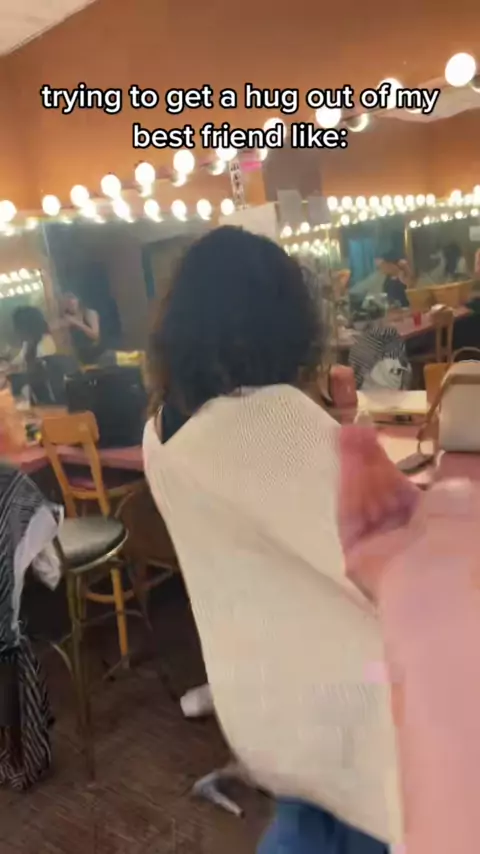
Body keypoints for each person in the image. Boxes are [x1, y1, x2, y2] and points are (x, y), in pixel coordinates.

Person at [143, 226, 411, 852]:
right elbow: (397, 559)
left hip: (266, 699)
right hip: (352, 705)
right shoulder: (267, 421)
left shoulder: (162, 431)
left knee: (312, 821)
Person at [60, 292, 102, 365]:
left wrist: (77, 323)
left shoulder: (89, 313)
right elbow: (67, 342)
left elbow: (95, 335)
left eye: (72, 298)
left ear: (78, 299)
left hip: (96, 354)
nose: (69, 302)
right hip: (79, 357)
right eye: (66, 300)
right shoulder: (67, 318)